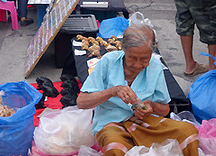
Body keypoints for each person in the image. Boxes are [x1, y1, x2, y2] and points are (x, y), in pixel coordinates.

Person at [76, 24, 200, 156]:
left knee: (188, 132)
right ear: (123, 49)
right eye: (132, 58)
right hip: (111, 123)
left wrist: (151, 106)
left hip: (145, 123)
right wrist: (112, 91)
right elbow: (82, 102)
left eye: (144, 59)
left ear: (153, 51)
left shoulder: (155, 66)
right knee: (115, 146)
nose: (137, 65)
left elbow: (165, 110)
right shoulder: (108, 62)